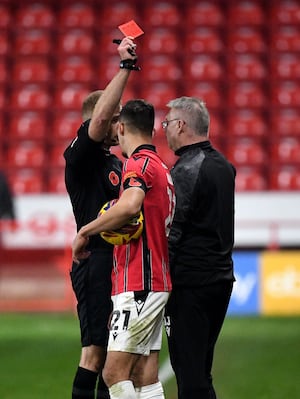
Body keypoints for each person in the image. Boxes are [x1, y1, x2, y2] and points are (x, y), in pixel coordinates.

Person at [72, 96, 176, 398]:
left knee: (113, 372)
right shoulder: (162, 168)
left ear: (120, 128)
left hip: (139, 282)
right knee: (145, 373)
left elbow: (130, 206)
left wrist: (86, 231)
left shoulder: (137, 164)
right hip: (156, 279)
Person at [64, 37, 138, 399]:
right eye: (116, 117)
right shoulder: (81, 157)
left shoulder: (114, 162)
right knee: (94, 355)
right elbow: (101, 120)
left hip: (116, 263)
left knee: (113, 356)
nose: (119, 124)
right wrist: (125, 68)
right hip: (94, 262)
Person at [162, 96, 236, 399]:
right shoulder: (224, 166)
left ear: (180, 126)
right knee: (201, 373)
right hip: (221, 280)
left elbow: (173, 232)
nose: (164, 130)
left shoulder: (185, 170)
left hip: (191, 284)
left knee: (190, 376)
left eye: (167, 124)